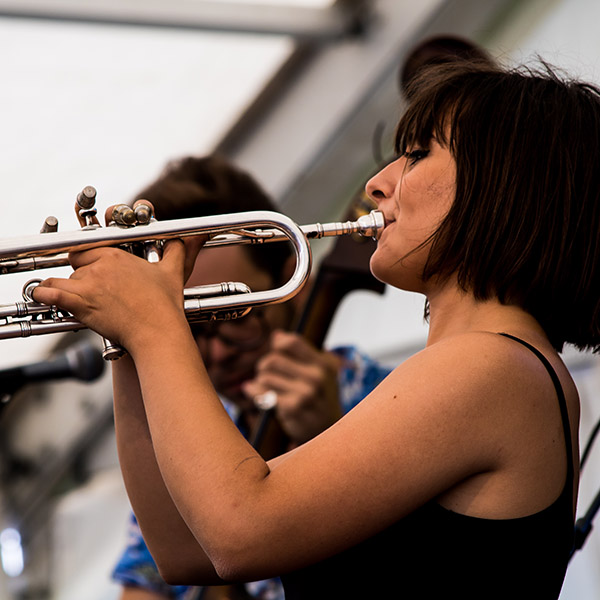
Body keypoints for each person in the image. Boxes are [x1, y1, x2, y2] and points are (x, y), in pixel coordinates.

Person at [33, 58, 600, 598]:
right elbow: (184, 552)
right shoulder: (498, 367)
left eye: (417, 154)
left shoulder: (493, 368)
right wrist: (128, 340)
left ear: (504, 185)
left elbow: (240, 531)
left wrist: (155, 325)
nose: (378, 183)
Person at [105, 155, 390, 600]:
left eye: (235, 315)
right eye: (189, 330)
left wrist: (331, 436)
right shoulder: (187, 447)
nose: (217, 351)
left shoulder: (400, 401)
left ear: (294, 280)